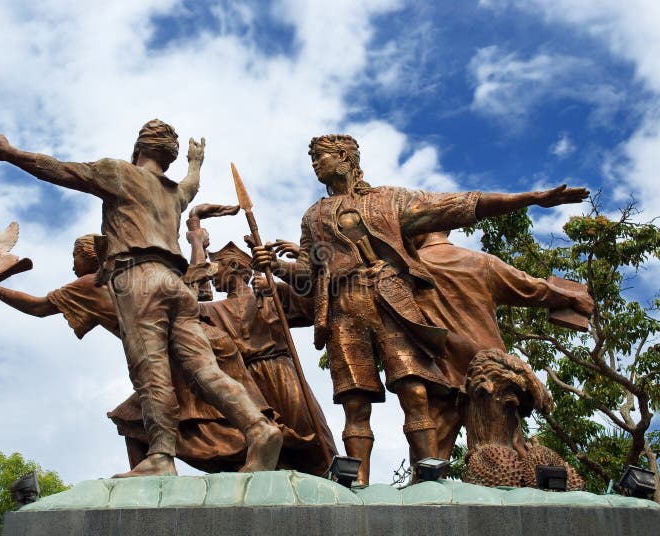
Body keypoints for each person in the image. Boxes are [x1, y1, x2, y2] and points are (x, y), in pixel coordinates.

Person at [253, 133, 589, 484]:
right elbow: (310, 270)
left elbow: (459, 205)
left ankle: (431, 474)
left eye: (321, 157)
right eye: (313, 160)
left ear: (344, 157)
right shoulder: (313, 216)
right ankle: (357, 480)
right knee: (355, 401)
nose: (315, 164)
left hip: (392, 304)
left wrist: (530, 198)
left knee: (415, 392)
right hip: (343, 309)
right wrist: (275, 267)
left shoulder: (389, 200)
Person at [0, 120, 281, 477]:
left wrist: (10, 154)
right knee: (204, 370)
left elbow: (60, 170)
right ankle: (259, 429)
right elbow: (191, 186)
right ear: (169, 158)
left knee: (151, 370)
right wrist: (195, 163)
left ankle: (161, 457)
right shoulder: (173, 194)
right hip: (177, 285)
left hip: (138, 280)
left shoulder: (118, 173)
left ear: (137, 148)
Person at [411, 230, 594, 460]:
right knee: (510, 451)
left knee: (429, 461)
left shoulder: (408, 268)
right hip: (491, 372)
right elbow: (531, 288)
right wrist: (572, 297)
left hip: (443, 371)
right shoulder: (480, 262)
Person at [198, 241, 338, 475]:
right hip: (243, 380)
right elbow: (182, 308)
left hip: (280, 371)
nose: (212, 276)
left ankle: (331, 477)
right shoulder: (213, 309)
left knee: (309, 431)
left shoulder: (272, 295)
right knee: (259, 440)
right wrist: (196, 240)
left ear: (232, 266)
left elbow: (313, 306)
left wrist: (284, 279)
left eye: (215, 268)